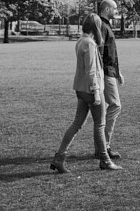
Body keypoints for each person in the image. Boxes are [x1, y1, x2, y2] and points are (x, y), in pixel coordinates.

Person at [50, 14, 122, 173]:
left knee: (77, 124)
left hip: (80, 89)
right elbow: (91, 71)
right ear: (96, 27)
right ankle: (105, 160)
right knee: (100, 125)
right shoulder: (89, 44)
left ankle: (59, 158)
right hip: (91, 90)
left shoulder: (80, 41)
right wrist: (97, 92)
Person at [98, 0, 124, 160]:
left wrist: (118, 72)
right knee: (115, 105)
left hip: (111, 71)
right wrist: (101, 74)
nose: (116, 11)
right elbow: (100, 53)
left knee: (107, 108)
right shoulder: (101, 26)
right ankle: (104, 146)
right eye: (114, 9)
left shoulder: (105, 25)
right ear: (107, 9)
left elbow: (110, 51)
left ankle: (102, 146)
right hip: (106, 72)